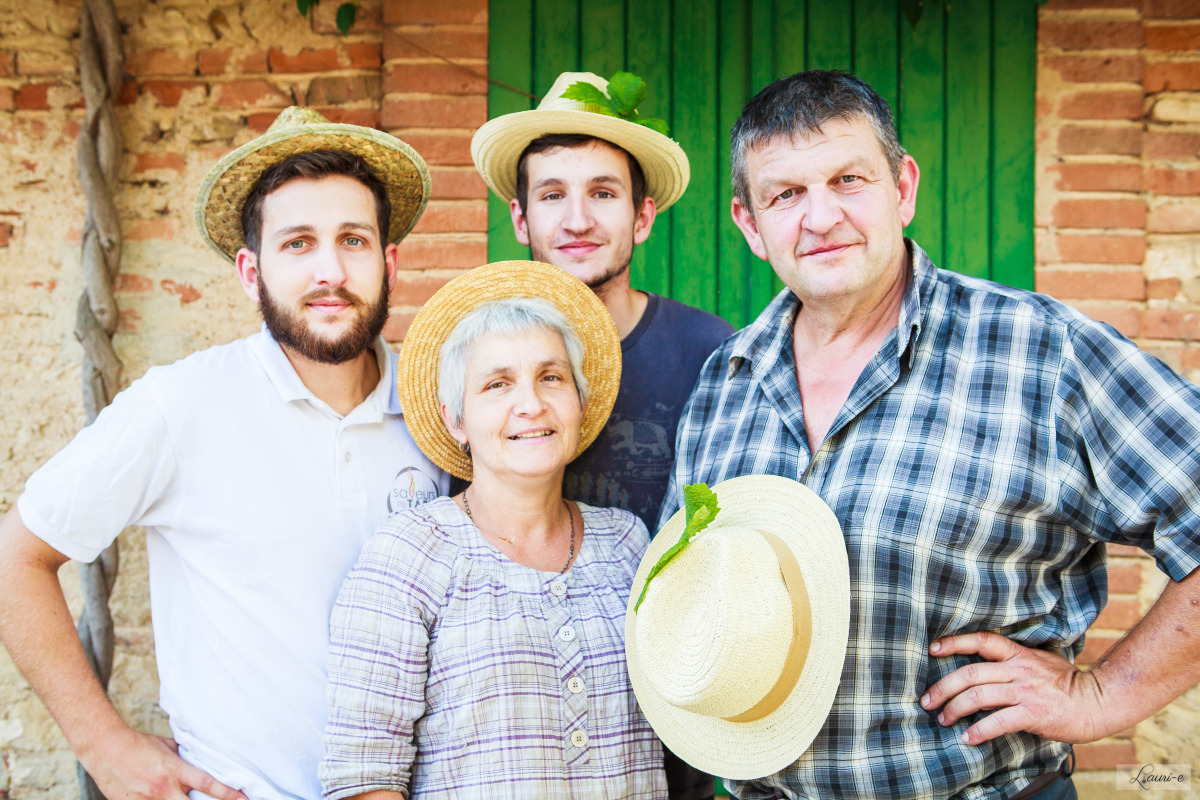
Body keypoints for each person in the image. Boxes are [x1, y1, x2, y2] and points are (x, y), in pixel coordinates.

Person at [661, 70, 1200, 800]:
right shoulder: (725, 383)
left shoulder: (1040, 351)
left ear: (903, 187)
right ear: (750, 225)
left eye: (848, 179)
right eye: (785, 194)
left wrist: (1103, 694)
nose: (819, 218)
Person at [0, 107, 448, 800]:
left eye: (353, 240)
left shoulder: (442, 415)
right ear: (250, 271)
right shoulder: (182, 406)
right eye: (297, 243)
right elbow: (16, 557)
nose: (330, 270)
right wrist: (103, 744)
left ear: (388, 261)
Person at [321, 260, 666, 800]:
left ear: (578, 401)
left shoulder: (628, 544)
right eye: (497, 384)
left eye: (551, 377)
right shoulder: (409, 556)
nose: (531, 404)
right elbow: (364, 779)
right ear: (457, 421)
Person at [471, 71, 733, 537]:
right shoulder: (479, 356)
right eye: (553, 195)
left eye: (603, 193)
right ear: (520, 218)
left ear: (643, 216)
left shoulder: (711, 351)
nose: (577, 221)